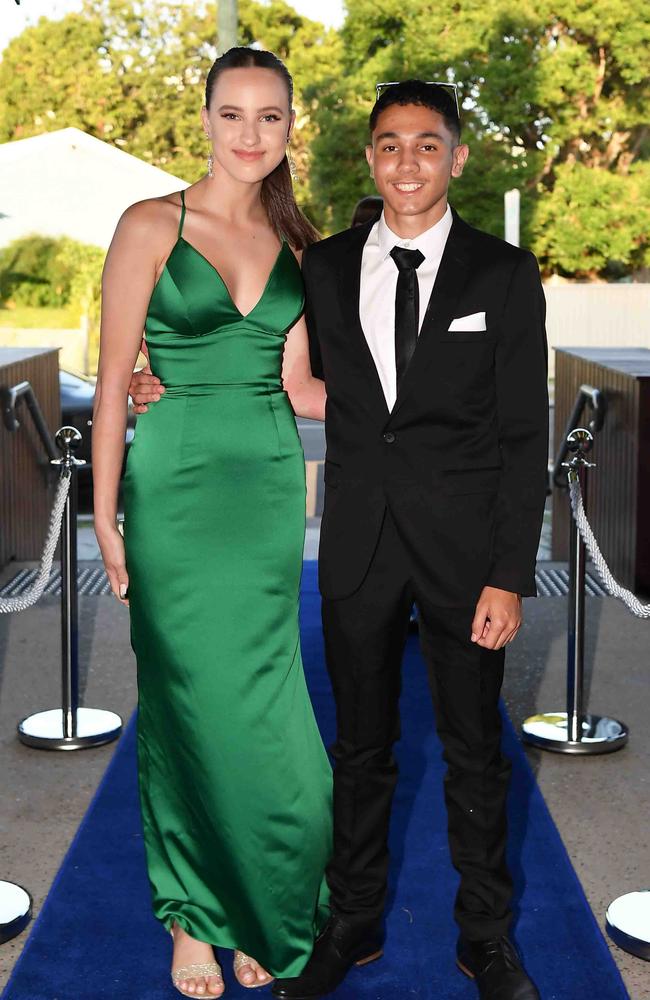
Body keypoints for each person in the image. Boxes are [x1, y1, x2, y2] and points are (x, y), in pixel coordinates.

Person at [130, 79, 549, 1000]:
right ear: (370, 158)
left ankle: (487, 936)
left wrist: (511, 575)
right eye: (390, 145)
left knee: (474, 749)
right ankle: (351, 917)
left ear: (458, 157)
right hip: (356, 545)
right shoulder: (321, 265)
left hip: (465, 555)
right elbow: (275, 373)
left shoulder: (504, 274)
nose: (408, 162)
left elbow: (526, 437)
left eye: (428, 145)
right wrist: (151, 382)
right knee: (359, 749)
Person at [93, 47, 332, 999]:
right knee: (189, 701)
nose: (250, 135)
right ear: (203, 119)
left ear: (288, 129)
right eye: (232, 115)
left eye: (269, 117)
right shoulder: (151, 223)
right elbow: (113, 381)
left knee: (267, 711)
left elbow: (302, 386)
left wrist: (416, 407)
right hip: (174, 489)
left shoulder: (300, 246)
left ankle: (262, 896)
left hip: (270, 488)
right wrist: (106, 515)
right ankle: (193, 913)